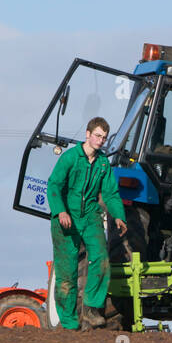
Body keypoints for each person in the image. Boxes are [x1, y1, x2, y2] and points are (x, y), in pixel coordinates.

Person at [47, 117, 128, 330]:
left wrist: (119, 215)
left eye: (104, 137)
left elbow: (110, 193)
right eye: (97, 135)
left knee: (101, 259)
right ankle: (69, 322)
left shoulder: (103, 163)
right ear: (87, 134)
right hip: (66, 217)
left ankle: (92, 310)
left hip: (90, 215)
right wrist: (60, 211)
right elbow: (54, 185)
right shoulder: (70, 158)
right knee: (67, 271)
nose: (100, 141)